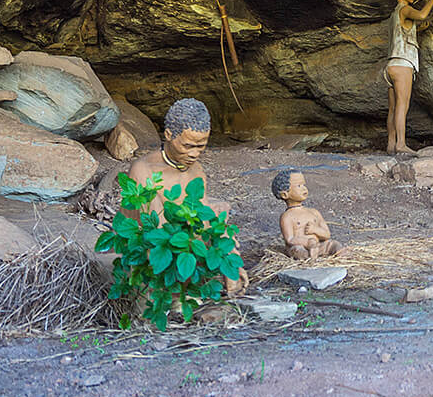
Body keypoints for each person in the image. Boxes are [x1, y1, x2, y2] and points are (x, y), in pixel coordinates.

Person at [126, 97, 247, 295]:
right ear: (168, 135)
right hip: (155, 263)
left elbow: (205, 222)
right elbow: (159, 235)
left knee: (219, 212)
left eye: (201, 146)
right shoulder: (143, 171)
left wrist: (229, 261)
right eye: (188, 146)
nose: (194, 154)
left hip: (186, 256)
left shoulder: (196, 170)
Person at [385, 0, 433, 154]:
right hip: (403, 64)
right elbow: (422, 15)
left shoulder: (394, 15)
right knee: (403, 105)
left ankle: (391, 144)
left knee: (393, 108)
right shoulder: (405, 9)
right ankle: (401, 144)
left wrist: (419, 30)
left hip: (390, 65)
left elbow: (404, 32)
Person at [271, 170, 344, 259]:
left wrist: (315, 230)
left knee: (333, 244)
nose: (304, 188)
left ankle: (341, 254)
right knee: (297, 250)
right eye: (299, 186)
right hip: (302, 248)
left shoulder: (314, 212)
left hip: (318, 247)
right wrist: (308, 242)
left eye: (304, 185)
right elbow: (290, 239)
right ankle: (309, 258)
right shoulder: (287, 216)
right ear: (285, 194)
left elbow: (327, 235)